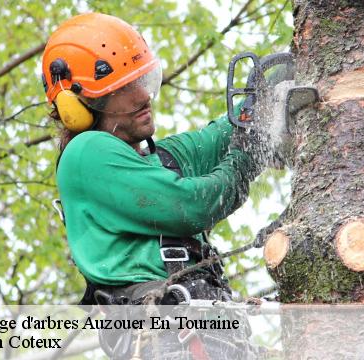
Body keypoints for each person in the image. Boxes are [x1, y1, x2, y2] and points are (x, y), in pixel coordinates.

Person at [41, 13, 266, 306]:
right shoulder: (86, 152)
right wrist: (244, 159)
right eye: (124, 87)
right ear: (80, 105)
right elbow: (191, 205)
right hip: (161, 331)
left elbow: (220, 135)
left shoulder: (157, 160)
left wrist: (259, 101)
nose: (144, 95)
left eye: (143, 80)